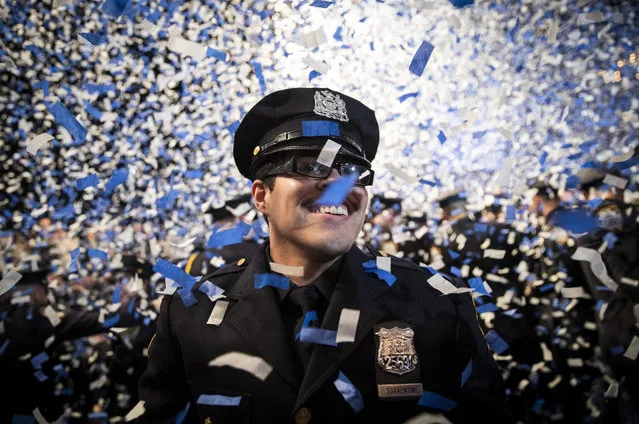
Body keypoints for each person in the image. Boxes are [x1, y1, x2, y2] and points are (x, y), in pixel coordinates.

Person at [138, 87, 505, 424]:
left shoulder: (439, 304)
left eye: (351, 171)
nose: (338, 185)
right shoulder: (191, 313)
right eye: (310, 167)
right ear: (261, 195)